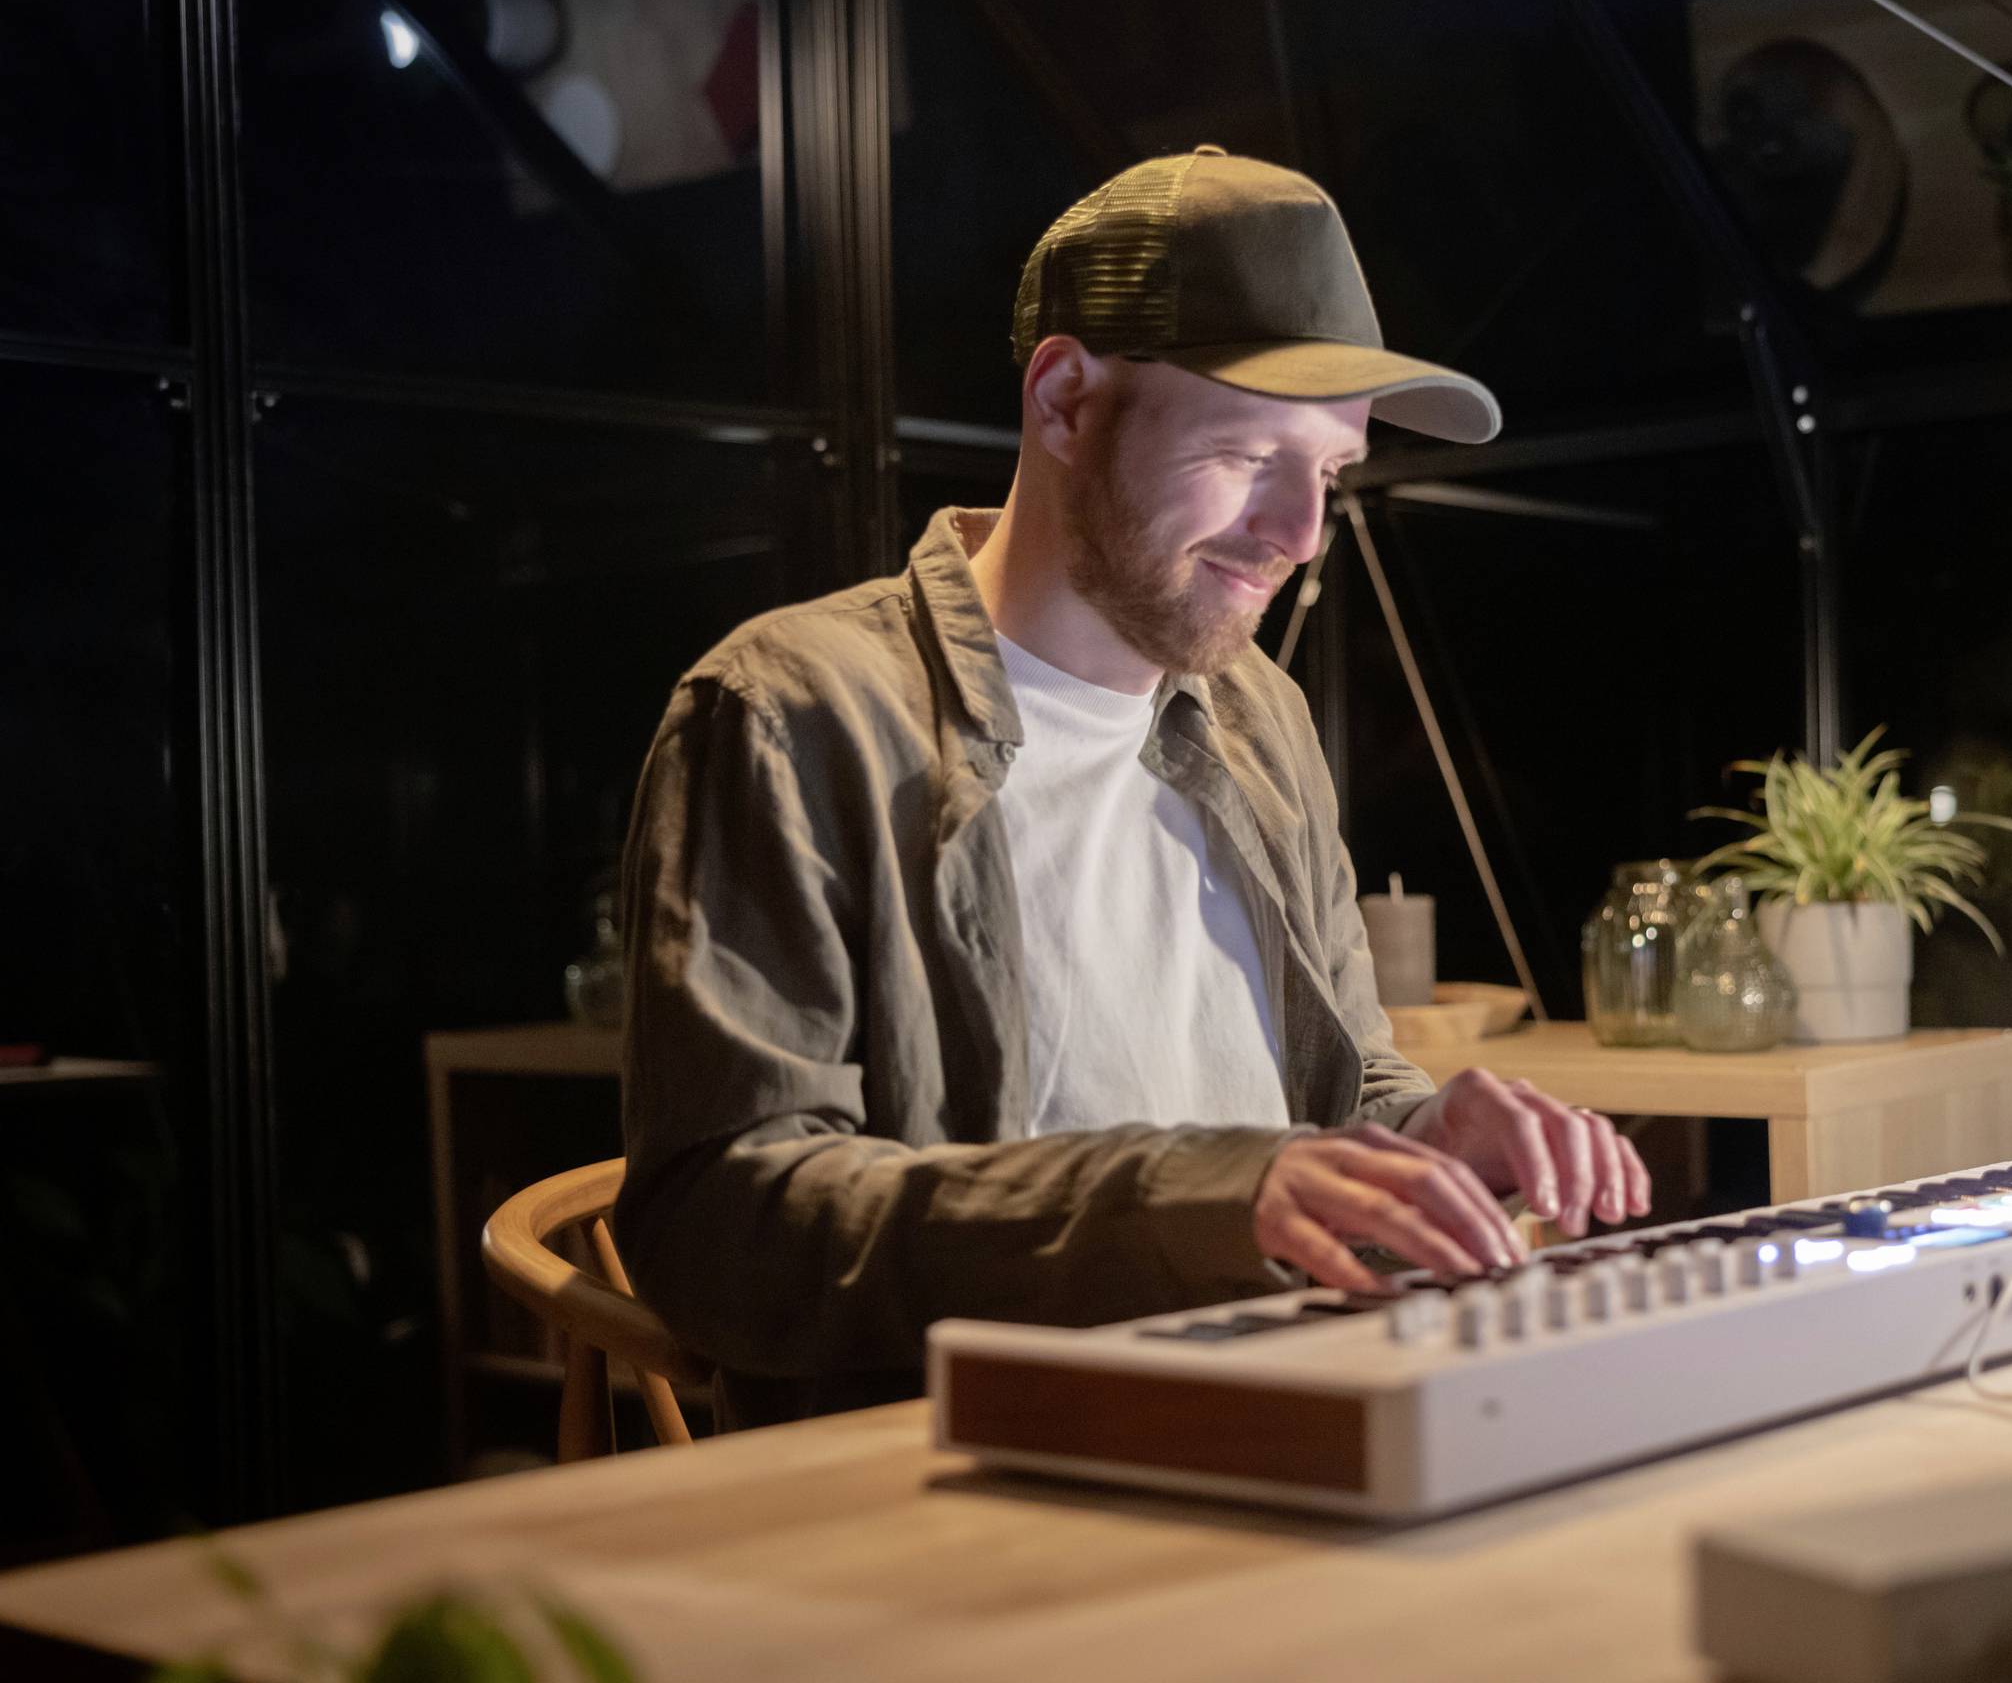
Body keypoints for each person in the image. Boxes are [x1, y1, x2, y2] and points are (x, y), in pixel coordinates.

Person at [614, 147, 1649, 1426]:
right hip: (967, 1480)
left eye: (1328, 471)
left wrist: (1426, 1140)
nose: (1299, 533)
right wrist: (1205, 1202)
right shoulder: (793, 712)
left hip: (1291, 1420)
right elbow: (725, 1225)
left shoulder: (1258, 715)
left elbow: (1338, 1100)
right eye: (1246, 453)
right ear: (1064, 400)